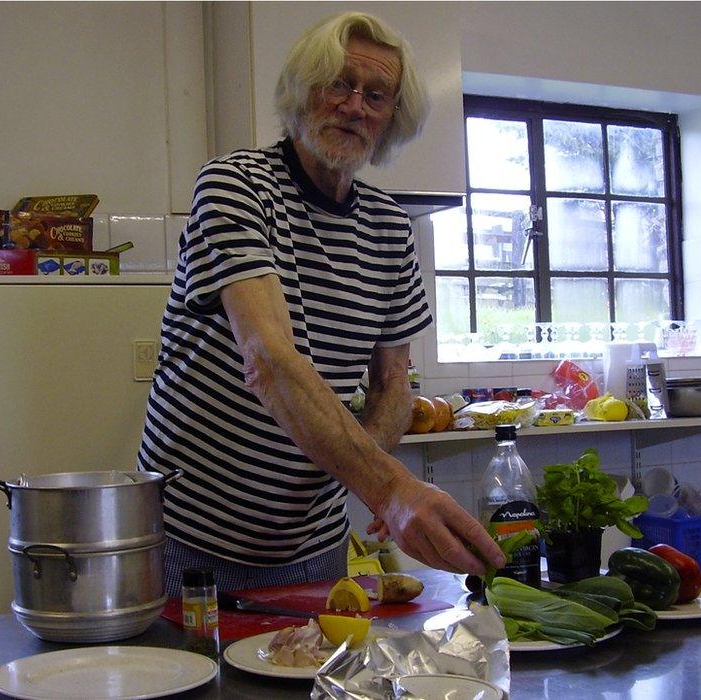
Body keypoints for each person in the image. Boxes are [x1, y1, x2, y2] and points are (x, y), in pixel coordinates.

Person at [138, 11, 504, 595]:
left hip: (314, 543)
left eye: (376, 95)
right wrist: (388, 488)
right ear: (302, 92)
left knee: (317, 683)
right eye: (339, 83)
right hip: (191, 535)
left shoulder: (389, 226)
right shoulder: (234, 187)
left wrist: (367, 479)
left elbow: (393, 383)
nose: (355, 106)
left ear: (391, 121)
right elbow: (269, 360)